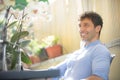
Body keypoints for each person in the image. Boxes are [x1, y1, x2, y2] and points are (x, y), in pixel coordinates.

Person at [49, 11, 111, 80]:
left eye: (86, 25)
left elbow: (99, 78)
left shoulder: (100, 50)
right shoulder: (77, 53)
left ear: (98, 28)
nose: (81, 29)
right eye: (80, 26)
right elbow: (55, 72)